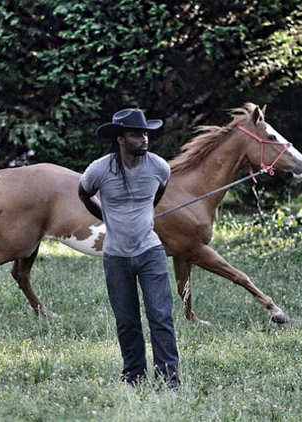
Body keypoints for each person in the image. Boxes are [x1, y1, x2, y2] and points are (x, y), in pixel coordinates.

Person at [78, 108, 180, 389]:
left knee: (160, 316)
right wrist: (105, 216)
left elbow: (156, 194)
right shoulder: (100, 169)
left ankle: (168, 379)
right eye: (136, 134)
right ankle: (134, 377)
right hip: (116, 256)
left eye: (145, 133)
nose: (144, 139)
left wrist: (143, 214)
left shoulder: (159, 167)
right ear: (121, 139)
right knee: (126, 321)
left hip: (150, 252)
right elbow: (83, 193)